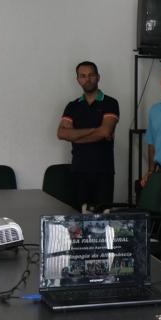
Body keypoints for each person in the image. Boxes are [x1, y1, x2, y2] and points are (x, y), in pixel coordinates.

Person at [57, 61, 120, 209]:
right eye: (83, 76)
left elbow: (105, 131)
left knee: (102, 219)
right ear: (78, 80)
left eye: (91, 75)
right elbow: (61, 133)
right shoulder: (72, 106)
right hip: (78, 170)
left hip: (103, 171)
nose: (87, 79)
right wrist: (93, 130)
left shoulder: (110, 103)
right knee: (79, 218)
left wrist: (75, 136)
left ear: (98, 77)